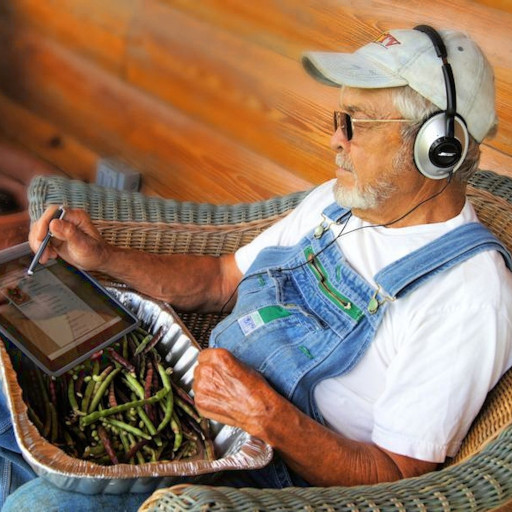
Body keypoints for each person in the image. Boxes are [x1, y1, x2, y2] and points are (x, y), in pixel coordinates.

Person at [2, 25, 512, 511]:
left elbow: (400, 483)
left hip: (255, 484)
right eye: (338, 120)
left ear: (436, 148)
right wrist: (105, 257)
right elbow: (222, 281)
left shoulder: (468, 294)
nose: (336, 140)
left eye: (356, 123)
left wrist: (265, 415)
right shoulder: (336, 203)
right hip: (181, 402)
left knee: (36, 505)